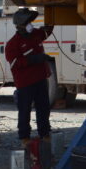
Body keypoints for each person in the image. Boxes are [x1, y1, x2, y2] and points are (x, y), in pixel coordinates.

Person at [4, 8, 54, 143]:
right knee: (25, 111)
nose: (30, 25)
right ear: (20, 25)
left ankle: (45, 134)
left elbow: (46, 32)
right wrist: (33, 59)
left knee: (43, 108)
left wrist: (52, 19)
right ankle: (25, 137)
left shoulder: (36, 34)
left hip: (41, 79)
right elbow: (15, 63)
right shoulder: (12, 44)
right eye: (27, 23)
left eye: (30, 22)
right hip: (25, 83)